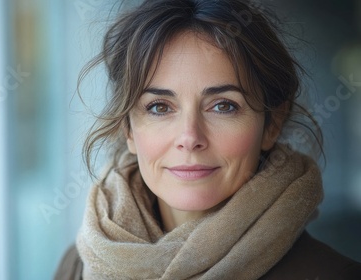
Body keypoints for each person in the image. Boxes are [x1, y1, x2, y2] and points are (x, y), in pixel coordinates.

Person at [56, 0, 361, 279]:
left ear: (272, 124)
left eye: (223, 106)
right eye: (159, 107)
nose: (190, 138)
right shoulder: (79, 266)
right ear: (128, 130)